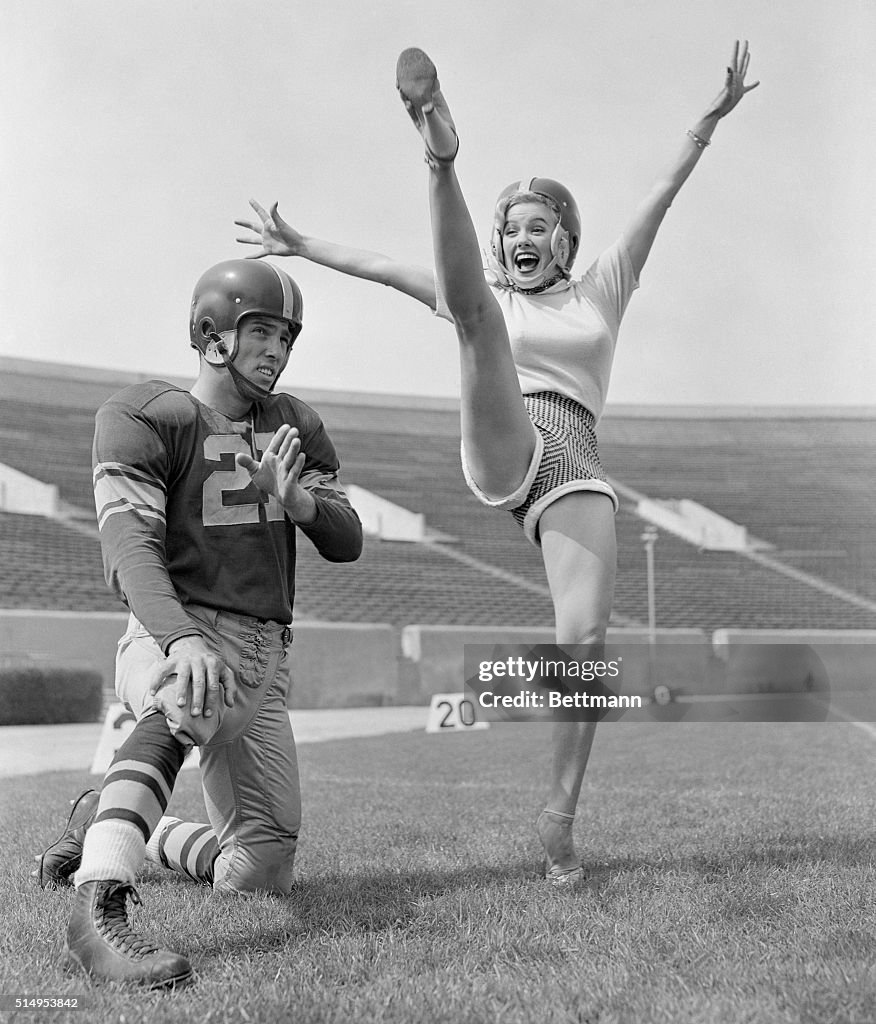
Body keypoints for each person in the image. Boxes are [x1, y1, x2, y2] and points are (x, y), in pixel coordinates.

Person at [233, 42, 759, 885]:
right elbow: (386, 268)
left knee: (583, 645)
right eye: (510, 227)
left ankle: (559, 820)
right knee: (473, 316)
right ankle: (439, 152)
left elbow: (660, 198)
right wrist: (301, 244)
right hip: (507, 429)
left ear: (566, 238)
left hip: (577, 459)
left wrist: (706, 124)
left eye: (537, 225)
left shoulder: (604, 289)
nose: (522, 237)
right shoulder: (488, 290)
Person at [36, 259, 363, 987]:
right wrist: (181, 638)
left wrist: (303, 503)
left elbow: (348, 539)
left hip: (267, 662)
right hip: (182, 631)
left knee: (261, 870)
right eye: (262, 332)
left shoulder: (294, 426)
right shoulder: (146, 415)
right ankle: (98, 909)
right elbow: (128, 546)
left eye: (286, 337)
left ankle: (105, 820)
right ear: (213, 334)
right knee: (183, 696)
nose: (276, 350)